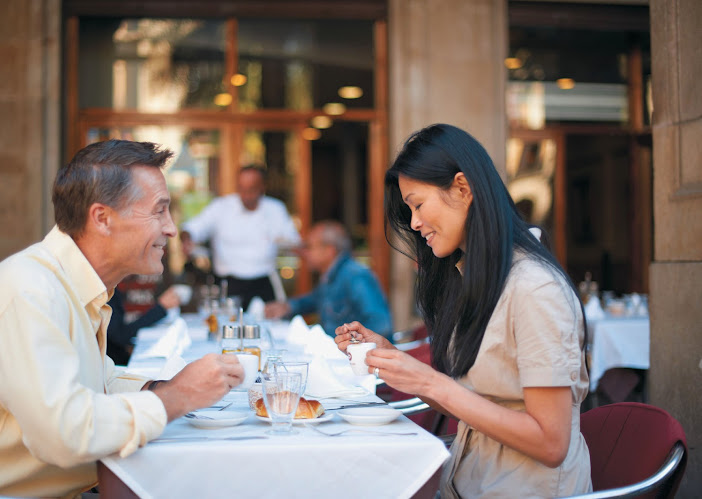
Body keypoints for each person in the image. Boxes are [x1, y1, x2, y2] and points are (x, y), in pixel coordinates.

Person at [0, 140, 244, 498]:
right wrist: (179, 396)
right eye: (159, 211)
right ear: (102, 219)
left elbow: (97, 380)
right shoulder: (28, 292)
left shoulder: (70, 287)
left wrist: (167, 387)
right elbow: (65, 434)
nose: (170, 228)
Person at [334, 124, 591, 498]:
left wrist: (429, 382)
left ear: (462, 188)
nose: (415, 223)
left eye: (418, 204)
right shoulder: (474, 278)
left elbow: (551, 444)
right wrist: (391, 358)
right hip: (466, 482)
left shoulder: (535, 289)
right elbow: (473, 404)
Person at [180, 166, 301, 309]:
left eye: (251, 189)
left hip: (264, 281)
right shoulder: (221, 207)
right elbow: (193, 227)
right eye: (241, 189)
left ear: (263, 187)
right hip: (229, 283)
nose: (246, 195)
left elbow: (292, 240)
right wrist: (187, 239)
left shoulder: (275, 209)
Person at [264, 220, 392, 340]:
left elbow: (381, 325)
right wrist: (287, 307)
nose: (304, 253)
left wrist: (348, 343)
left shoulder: (355, 276)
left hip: (353, 359)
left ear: (329, 251)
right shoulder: (331, 275)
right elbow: (314, 299)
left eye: (309, 247)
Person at [106, 286, 181, 365]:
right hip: (113, 367)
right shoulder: (103, 290)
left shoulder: (111, 288)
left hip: (118, 361)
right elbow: (119, 335)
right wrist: (161, 308)